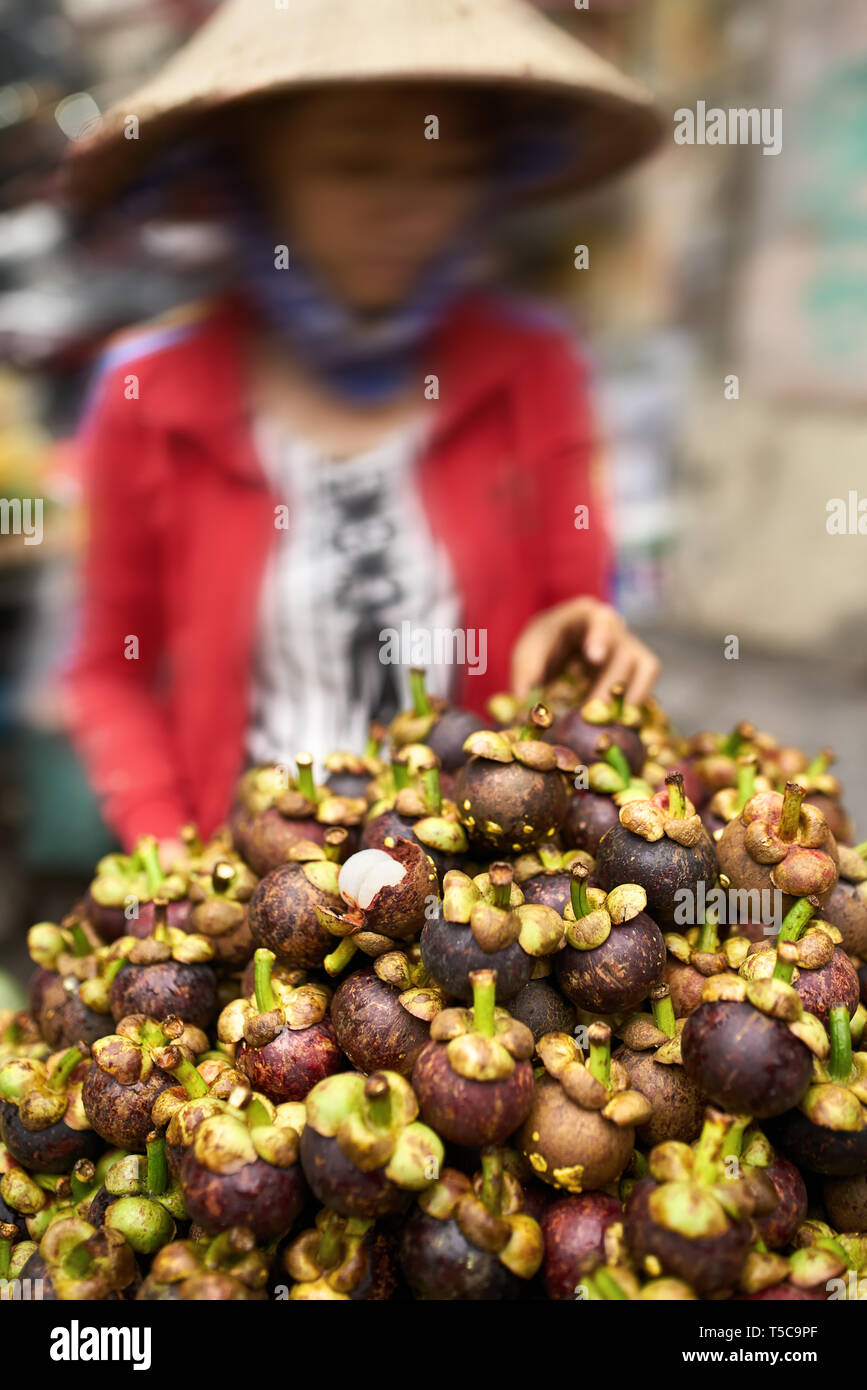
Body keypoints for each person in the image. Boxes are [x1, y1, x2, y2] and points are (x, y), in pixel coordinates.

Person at [63, 0, 663, 858]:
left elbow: (576, 612)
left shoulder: (536, 369)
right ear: (256, 170)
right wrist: (174, 857)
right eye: (355, 166)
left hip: (473, 898)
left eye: (447, 168)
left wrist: (587, 641)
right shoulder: (147, 395)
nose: (407, 210)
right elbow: (108, 674)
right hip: (248, 881)